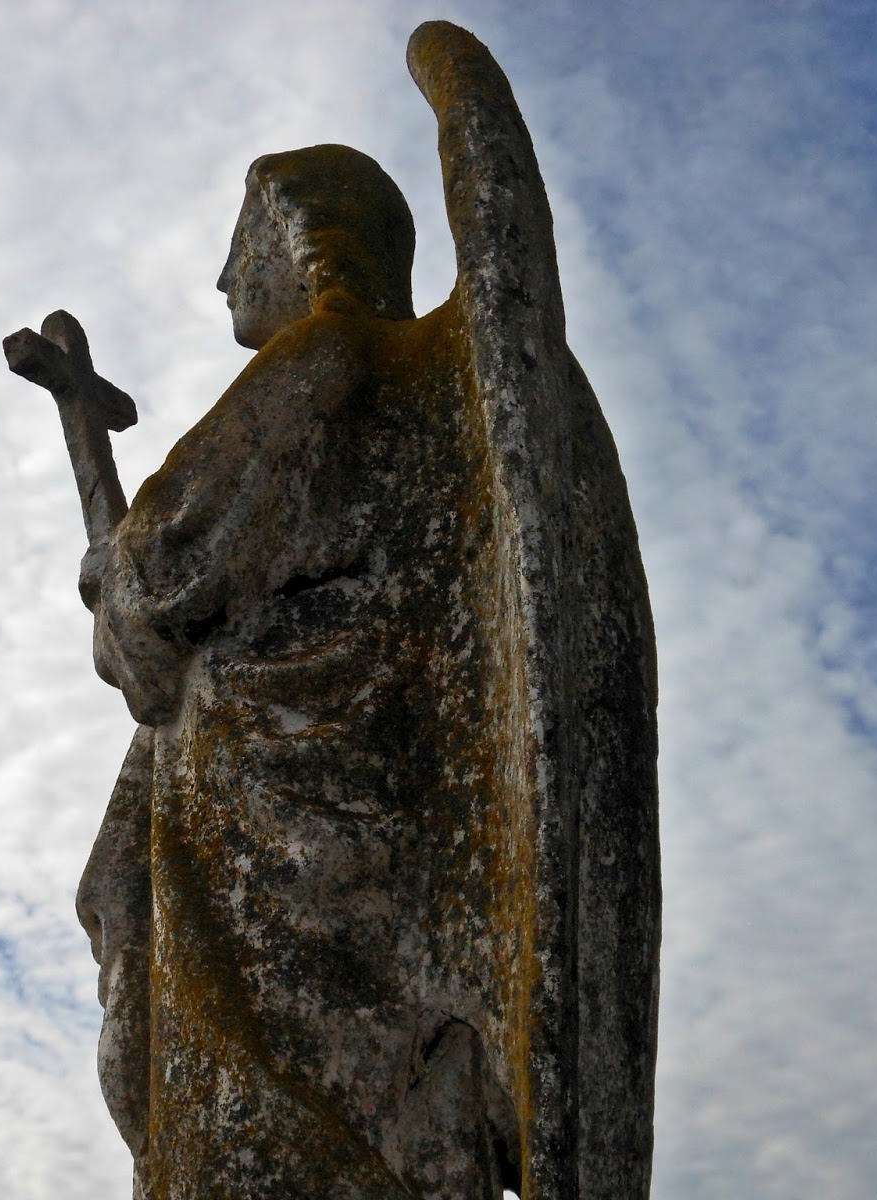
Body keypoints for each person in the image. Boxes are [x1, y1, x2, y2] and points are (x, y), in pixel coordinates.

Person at [76, 144, 521, 1198]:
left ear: (297, 237)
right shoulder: (440, 396)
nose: (225, 277)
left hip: (269, 845)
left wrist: (110, 576)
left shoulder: (325, 364)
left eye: (240, 245)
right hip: (384, 838)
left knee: (262, 1110)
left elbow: (149, 600)